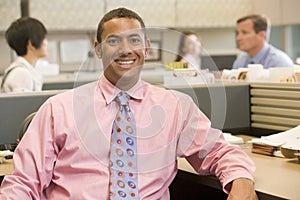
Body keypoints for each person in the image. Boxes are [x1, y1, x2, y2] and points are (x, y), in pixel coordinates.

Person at [0, 8, 258, 199]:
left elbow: (220, 152)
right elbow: (23, 182)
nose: (126, 49)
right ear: (98, 49)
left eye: (134, 40)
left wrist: (242, 181)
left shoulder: (175, 107)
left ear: (146, 47)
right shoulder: (59, 109)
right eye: (114, 41)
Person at [1, 17, 48, 92]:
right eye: (43, 38)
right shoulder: (21, 73)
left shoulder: (24, 70)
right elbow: (23, 103)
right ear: (31, 44)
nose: (46, 43)